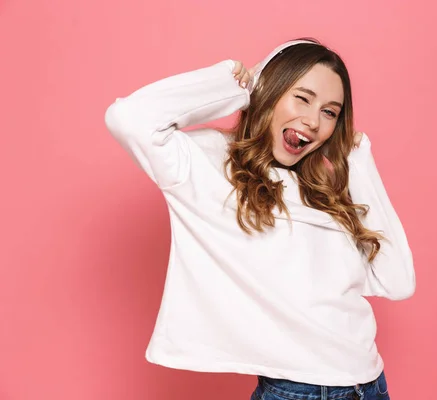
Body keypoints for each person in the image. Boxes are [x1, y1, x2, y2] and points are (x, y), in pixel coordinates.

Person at [104, 38, 415, 400]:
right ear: (269, 90)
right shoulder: (207, 164)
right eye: (302, 98)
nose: (314, 121)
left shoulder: (323, 187)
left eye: (330, 112)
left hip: (371, 384)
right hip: (298, 391)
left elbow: (398, 282)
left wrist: (359, 164)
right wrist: (232, 87)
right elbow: (128, 118)